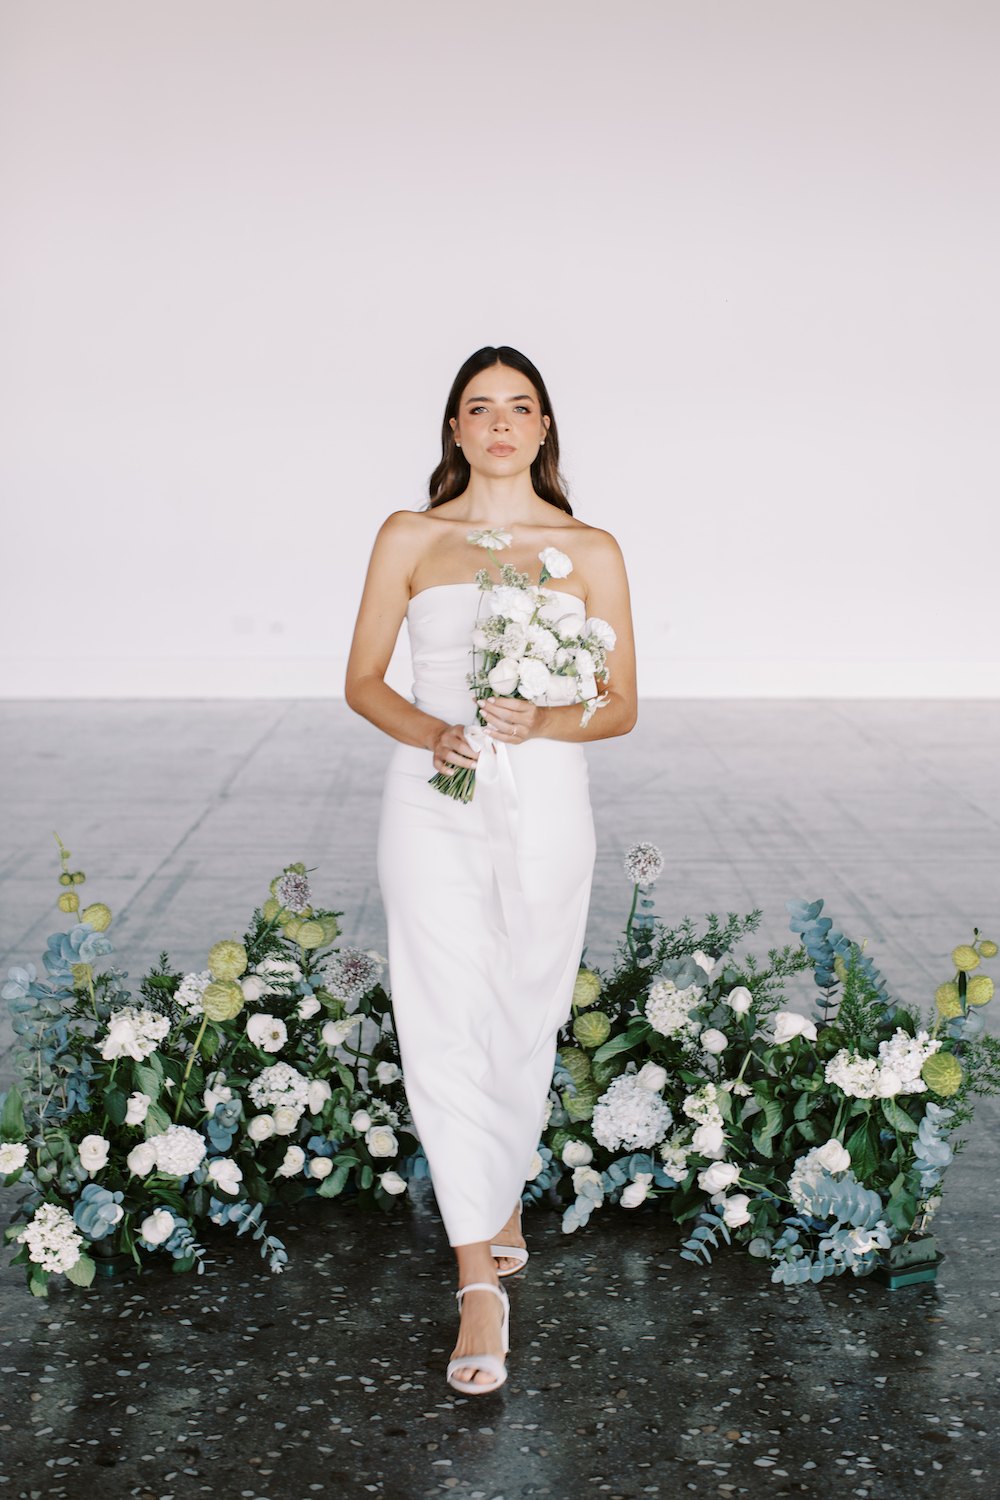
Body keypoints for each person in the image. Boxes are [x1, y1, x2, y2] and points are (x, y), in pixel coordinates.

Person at [344, 344, 637, 1394]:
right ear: (455, 429)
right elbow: (362, 681)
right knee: (440, 1004)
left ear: (544, 427)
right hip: (431, 799)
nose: (501, 423)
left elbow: (621, 704)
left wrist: (545, 715)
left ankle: (496, 1186)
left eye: (520, 407)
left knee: (525, 999)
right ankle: (479, 1278)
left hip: (548, 799)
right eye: (480, 407)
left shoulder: (589, 547)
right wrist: (434, 733)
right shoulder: (410, 537)